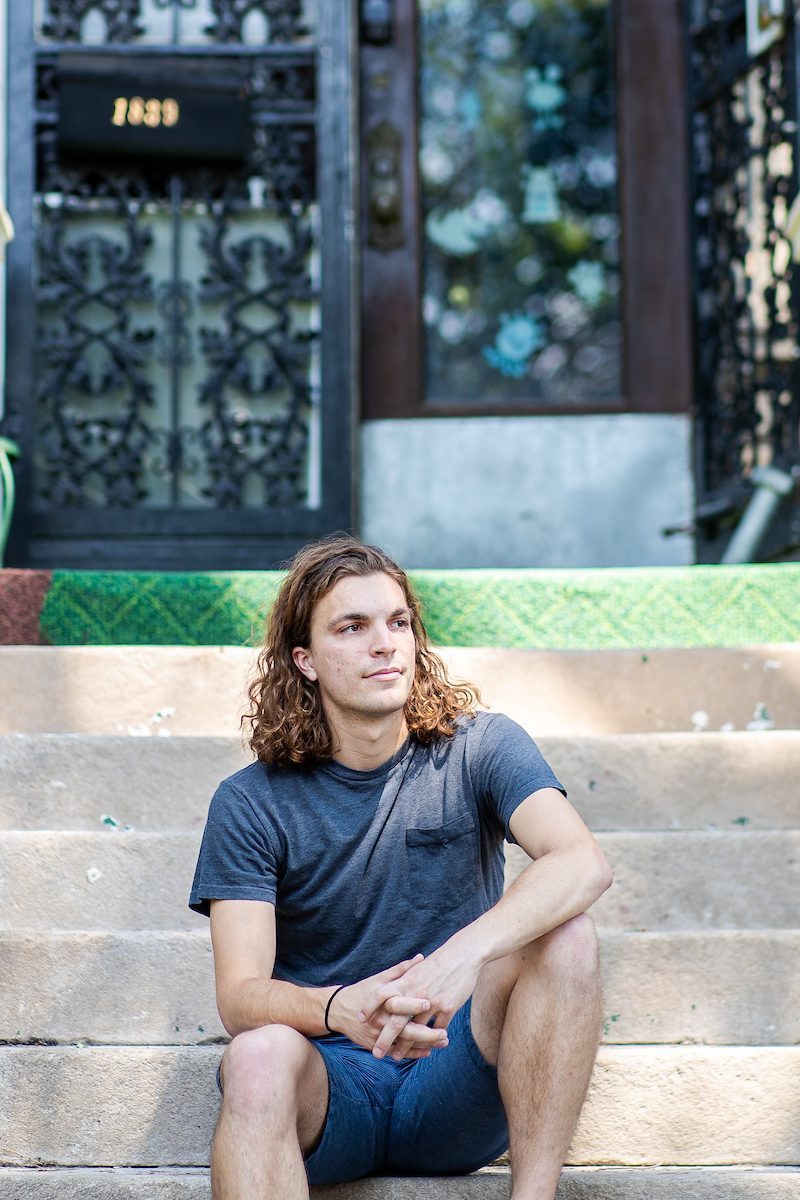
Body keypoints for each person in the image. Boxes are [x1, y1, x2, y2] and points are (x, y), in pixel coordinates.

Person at [189, 535, 613, 1200]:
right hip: (331, 1086)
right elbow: (239, 997)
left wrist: (461, 957)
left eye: (398, 623)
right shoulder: (250, 802)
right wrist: (338, 1008)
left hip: (454, 1076)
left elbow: (581, 861)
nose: (384, 645)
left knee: (568, 935)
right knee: (256, 1055)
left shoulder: (481, 747)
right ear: (304, 660)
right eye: (352, 627)